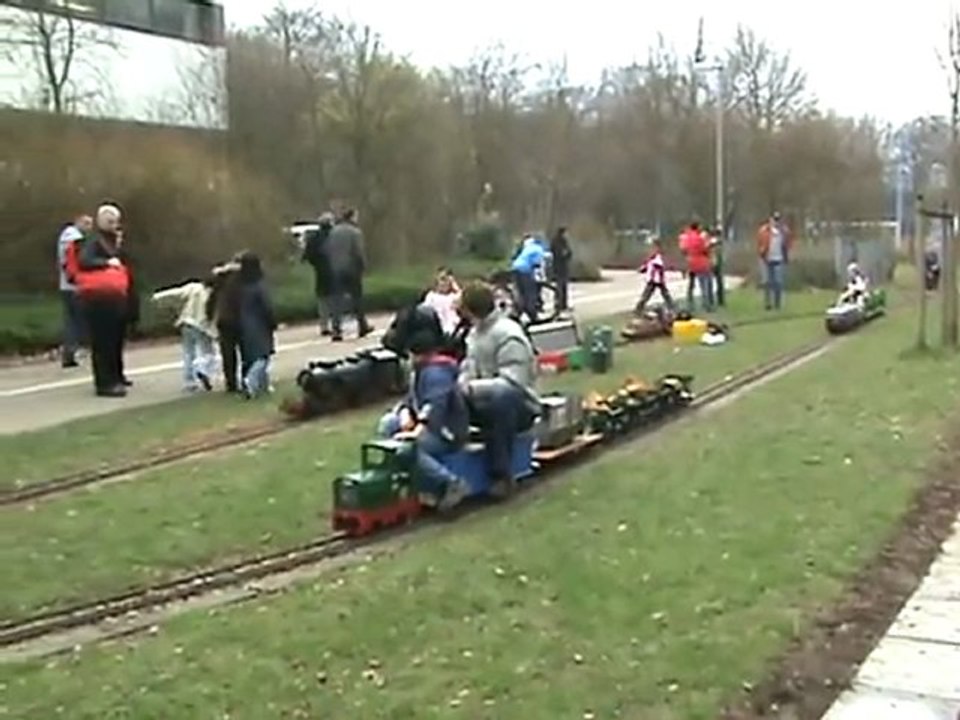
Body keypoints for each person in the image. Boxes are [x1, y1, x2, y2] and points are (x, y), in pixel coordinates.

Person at [458, 281, 540, 500]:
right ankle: (447, 469)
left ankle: (501, 476)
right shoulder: (474, 334)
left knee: (501, 399)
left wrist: (472, 388)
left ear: (471, 309)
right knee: (450, 394)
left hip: (521, 406)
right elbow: (468, 367)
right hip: (483, 399)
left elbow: (514, 382)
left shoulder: (508, 333)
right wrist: (461, 384)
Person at [390, 326, 472, 512]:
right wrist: (404, 412)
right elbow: (410, 399)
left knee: (406, 450)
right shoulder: (419, 372)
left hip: (446, 433)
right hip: (430, 427)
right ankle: (408, 483)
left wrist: (416, 433)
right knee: (389, 424)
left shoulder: (437, 374)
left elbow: (434, 408)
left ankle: (452, 482)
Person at [75, 204, 130, 398]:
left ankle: (116, 375)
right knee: (103, 341)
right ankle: (105, 383)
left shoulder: (113, 240)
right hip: (99, 298)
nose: (114, 225)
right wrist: (106, 263)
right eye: (110, 221)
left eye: (116, 221)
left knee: (115, 339)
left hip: (114, 297)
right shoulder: (93, 240)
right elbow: (84, 261)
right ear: (100, 221)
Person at [151, 275, 218, 392]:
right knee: (208, 352)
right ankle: (202, 369)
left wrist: (158, 297)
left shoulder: (194, 288)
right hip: (202, 326)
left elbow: (176, 292)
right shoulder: (214, 294)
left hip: (186, 322)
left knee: (188, 353)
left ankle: (189, 382)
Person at [324, 207, 373, 342]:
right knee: (357, 298)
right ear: (351, 217)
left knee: (336, 301)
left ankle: (336, 330)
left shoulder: (333, 232)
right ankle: (362, 325)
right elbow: (358, 252)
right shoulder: (355, 232)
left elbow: (327, 250)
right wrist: (363, 267)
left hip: (336, 269)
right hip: (352, 269)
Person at [237, 252, 277, 398]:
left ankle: (263, 385)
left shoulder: (241, 284)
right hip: (259, 323)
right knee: (263, 356)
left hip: (244, 323)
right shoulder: (259, 285)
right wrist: (272, 321)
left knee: (253, 356)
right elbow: (266, 306)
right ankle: (251, 381)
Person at [57, 213, 93, 368]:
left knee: (70, 320)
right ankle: (73, 350)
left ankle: (68, 352)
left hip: (65, 285)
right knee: (78, 320)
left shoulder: (64, 237)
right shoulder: (76, 240)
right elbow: (82, 262)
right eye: (87, 223)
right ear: (78, 222)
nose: (89, 227)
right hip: (76, 285)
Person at [209, 257, 244, 393]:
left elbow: (212, 299)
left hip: (224, 319)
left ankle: (231, 382)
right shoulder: (241, 280)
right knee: (245, 351)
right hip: (239, 318)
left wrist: (210, 315)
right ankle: (246, 379)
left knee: (227, 353)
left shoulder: (219, 280)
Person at [302, 212, 335, 336]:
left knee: (322, 298)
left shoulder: (314, 237)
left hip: (320, 271)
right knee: (334, 297)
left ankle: (324, 325)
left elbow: (308, 255)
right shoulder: (333, 236)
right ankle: (335, 323)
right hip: (334, 269)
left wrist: (316, 263)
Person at [756, 211, 792, 311]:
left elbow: (788, 242)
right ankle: (767, 303)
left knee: (778, 282)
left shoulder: (784, 231)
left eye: (778, 219)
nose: (776, 222)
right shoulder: (764, 230)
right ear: (770, 219)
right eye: (774, 219)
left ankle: (777, 304)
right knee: (767, 282)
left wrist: (786, 254)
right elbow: (759, 242)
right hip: (766, 259)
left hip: (779, 259)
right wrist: (761, 252)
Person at [510, 233, 547, 323]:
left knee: (521, 292)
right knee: (530, 293)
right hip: (525, 270)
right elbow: (536, 264)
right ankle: (532, 314)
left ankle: (517, 313)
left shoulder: (528, 247)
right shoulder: (539, 249)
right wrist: (540, 277)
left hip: (515, 268)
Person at [679, 220, 714, 312]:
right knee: (705, 284)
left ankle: (690, 304)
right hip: (701, 263)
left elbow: (683, 249)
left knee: (691, 285)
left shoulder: (686, 237)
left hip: (690, 263)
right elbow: (705, 250)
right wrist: (709, 246)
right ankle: (706, 305)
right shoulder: (699, 238)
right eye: (700, 227)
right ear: (697, 227)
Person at [634, 237, 674, 315]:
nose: (651, 250)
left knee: (664, 294)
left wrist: (652, 266)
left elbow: (659, 266)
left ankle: (672, 307)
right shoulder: (650, 258)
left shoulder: (658, 257)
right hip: (652, 280)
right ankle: (639, 308)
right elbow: (646, 266)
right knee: (647, 294)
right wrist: (642, 269)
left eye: (653, 248)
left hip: (657, 280)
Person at [422, 267, 462, 335]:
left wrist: (456, 287)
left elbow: (465, 300)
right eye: (443, 279)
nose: (445, 283)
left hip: (453, 330)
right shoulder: (431, 296)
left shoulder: (454, 296)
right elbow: (425, 312)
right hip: (436, 330)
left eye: (448, 281)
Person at [549, 226, 573, 312]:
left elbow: (569, 252)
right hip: (559, 266)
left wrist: (567, 254)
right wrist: (565, 254)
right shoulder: (557, 242)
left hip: (562, 266)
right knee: (560, 286)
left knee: (563, 286)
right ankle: (559, 304)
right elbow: (559, 253)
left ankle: (563, 304)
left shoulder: (564, 242)